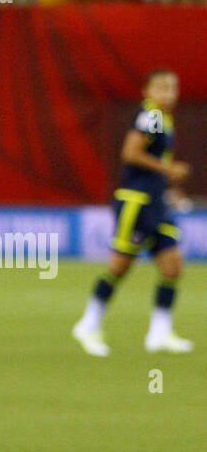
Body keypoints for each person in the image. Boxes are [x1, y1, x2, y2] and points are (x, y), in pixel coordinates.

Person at [73, 69, 193, 356]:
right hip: (137, 202)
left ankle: (160, 333)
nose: (168, 93)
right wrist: (169, 169)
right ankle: (89, 324)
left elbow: (151, 161)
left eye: (172, 88)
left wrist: (168, 190)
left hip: (156, 202)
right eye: (161, 88)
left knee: (173, 265)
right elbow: (130, 153)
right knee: (120, 266)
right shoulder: (150, 117)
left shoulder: (163, 119)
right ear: (147, 91)